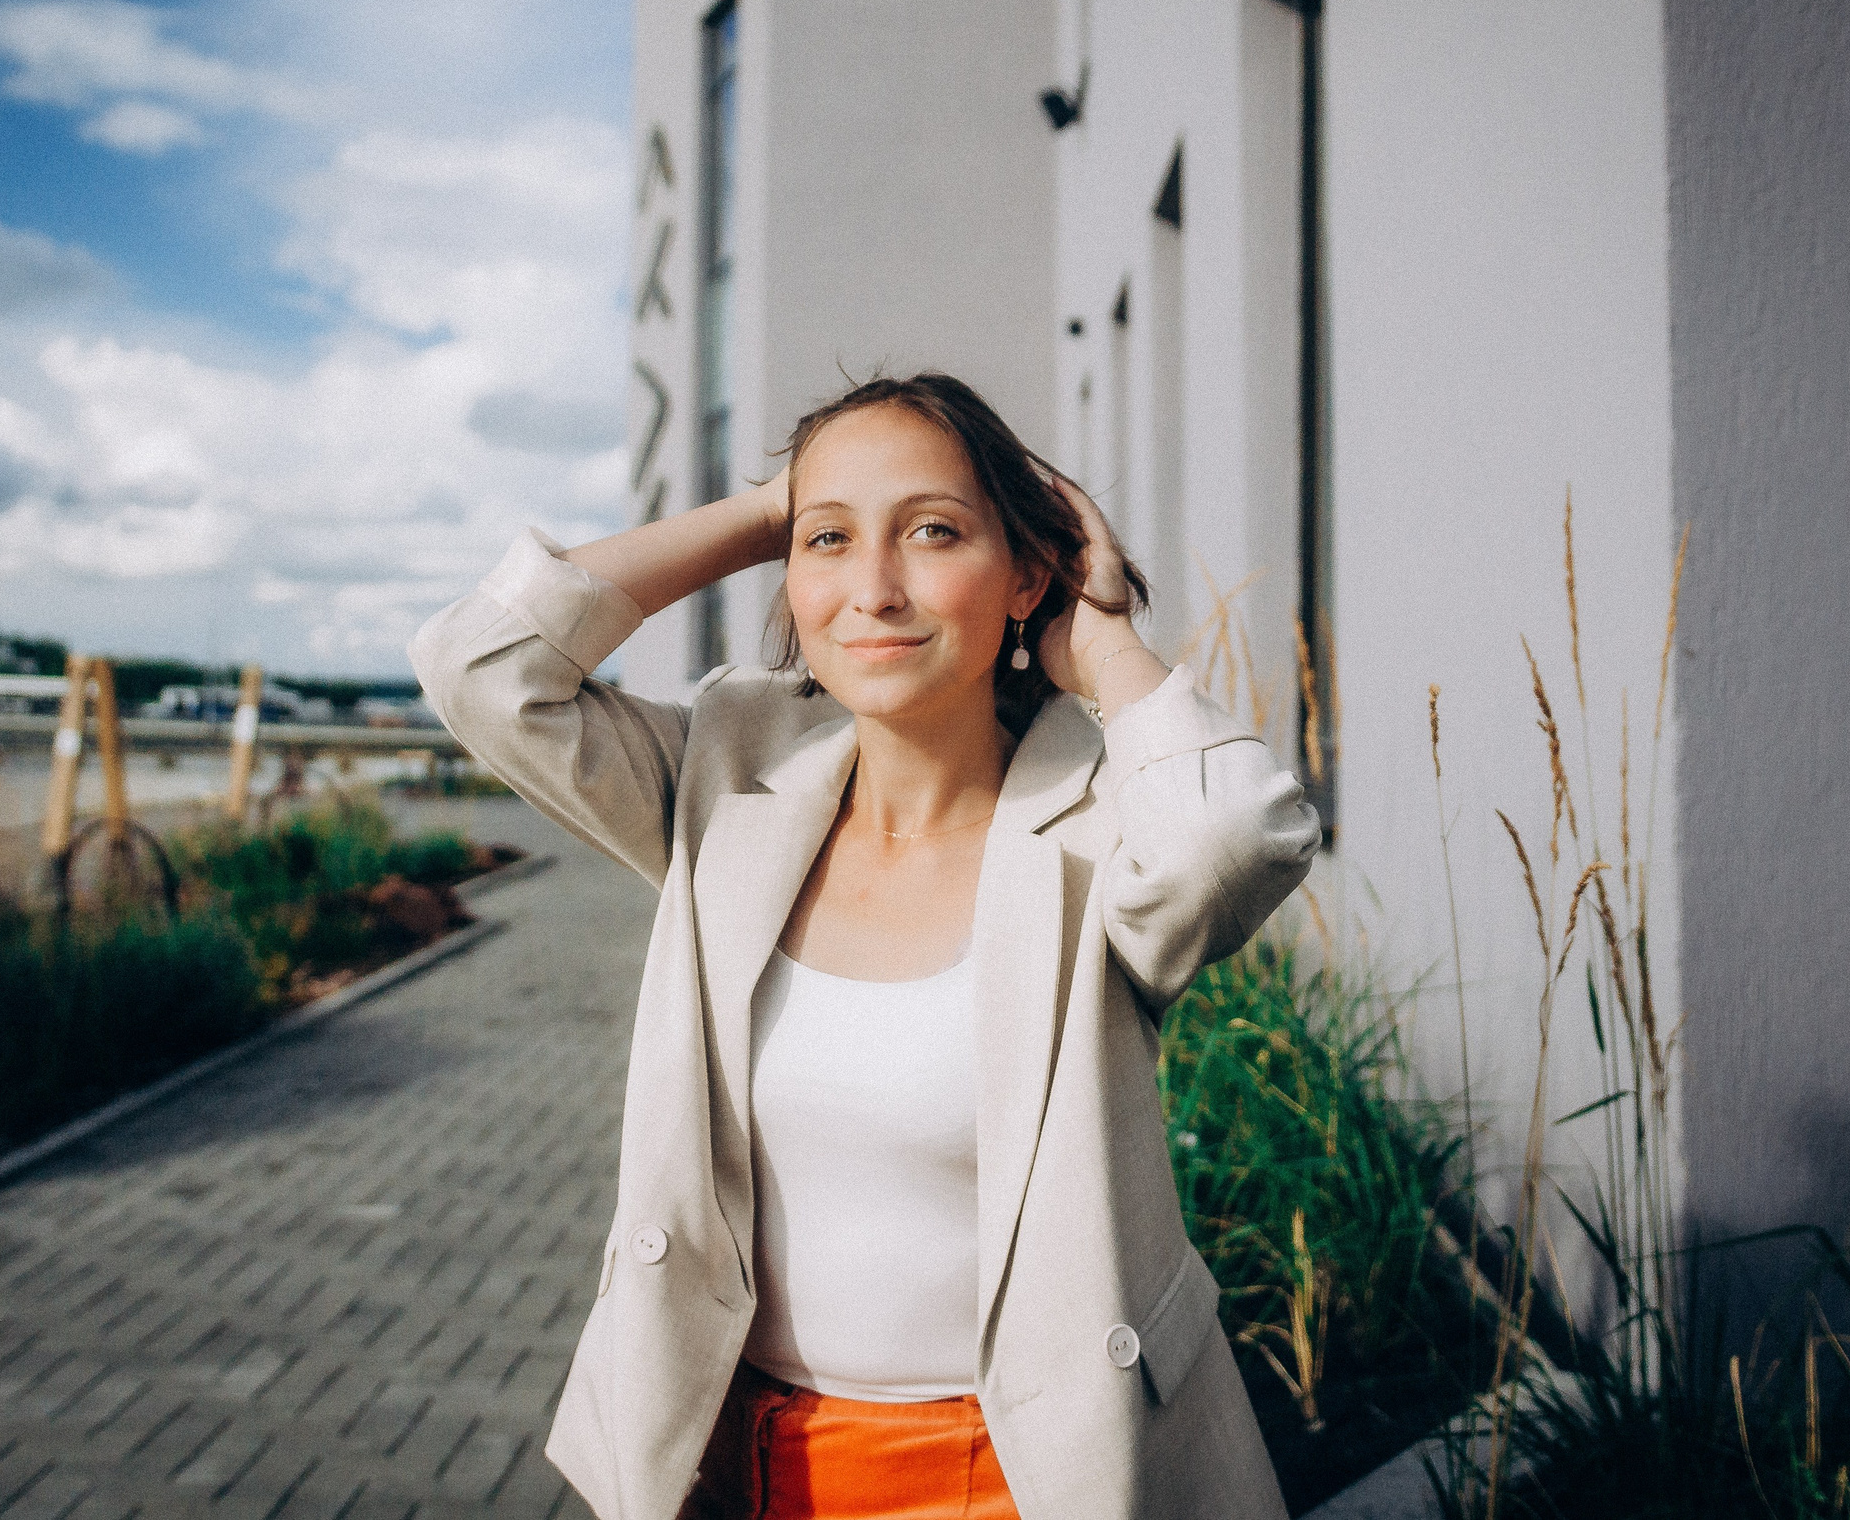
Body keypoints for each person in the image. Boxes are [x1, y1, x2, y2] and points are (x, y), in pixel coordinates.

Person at [410, 374, 1318, 1520]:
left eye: (933, 532)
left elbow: (1239, 834)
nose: (874, 590)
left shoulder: (1098, 824)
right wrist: (765, 507)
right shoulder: (730, 782)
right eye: (828, 542)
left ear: (1026, 571)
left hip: (1025, 1473)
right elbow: (481, 669)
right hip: (731, 1459)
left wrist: (1103, 641)